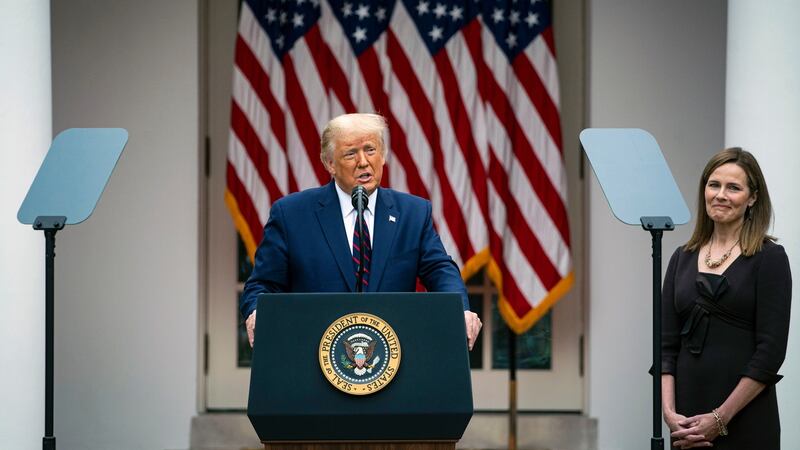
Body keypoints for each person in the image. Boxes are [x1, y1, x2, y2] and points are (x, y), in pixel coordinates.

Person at [240, 113, 482, 350]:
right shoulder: (291, 214)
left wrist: (459, 309)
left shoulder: (413, 212)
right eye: (350, 153)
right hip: (312, 353)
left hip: (393, 357)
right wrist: (257, 312)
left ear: (383, 155)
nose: (363, 162)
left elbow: (439, 269)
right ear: (329, 164)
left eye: (370, 150)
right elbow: (263, 284)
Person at [661, 148, 791, 449]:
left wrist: (720, 419)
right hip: (687, 422)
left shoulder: (769, 258)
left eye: (733, 187)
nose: (720, 194)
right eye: (713, 184)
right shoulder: (682, 258)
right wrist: (670, 414)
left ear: (752, 198)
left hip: (745, 418)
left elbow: (769, 354)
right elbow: (665, 348)